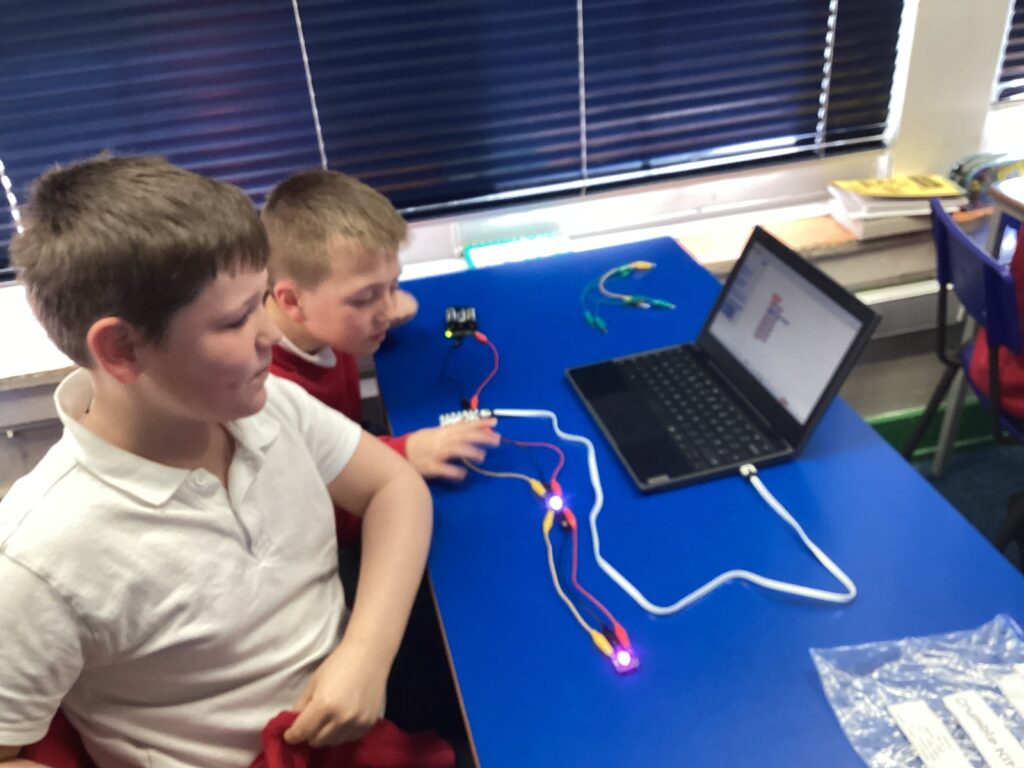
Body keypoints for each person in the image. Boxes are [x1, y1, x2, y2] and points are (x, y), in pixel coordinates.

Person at [0, 155, 434, 768]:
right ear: (122, 349)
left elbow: (394, 487)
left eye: (261, 300)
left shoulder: (269, 405)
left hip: (361, 725)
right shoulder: (37, 559)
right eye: (235, 320)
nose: (270, 333)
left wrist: (366, 654)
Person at [261, 169, 500, 549]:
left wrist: (377, 303)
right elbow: (317, 516)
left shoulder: (326, 325)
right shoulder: (263, 396)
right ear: (292, 301)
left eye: (393, 284)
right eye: (364, 298)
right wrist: (403, 455)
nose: (389, 310)